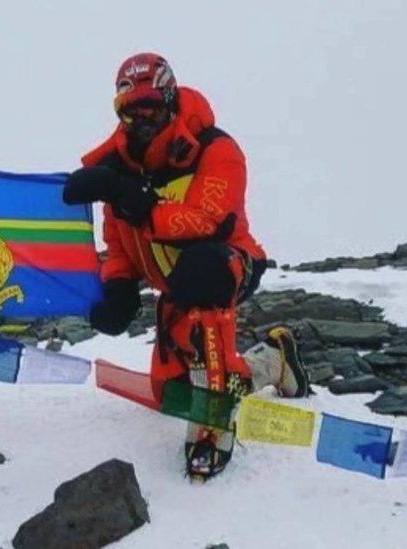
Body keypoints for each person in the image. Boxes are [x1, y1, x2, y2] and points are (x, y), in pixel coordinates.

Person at [63, 53, 311, 481]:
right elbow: (118, 247)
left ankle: (212, 429)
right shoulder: (117, 170)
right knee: (171, 394)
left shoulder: (216, 149)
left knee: (202, 270)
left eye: (152, 106)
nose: (142, 118)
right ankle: (275, 361)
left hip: (228, 263)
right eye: (130, 109)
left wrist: (133, 198)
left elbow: (208, 221)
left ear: (171, 101)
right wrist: (118, 288)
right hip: (172, 287)